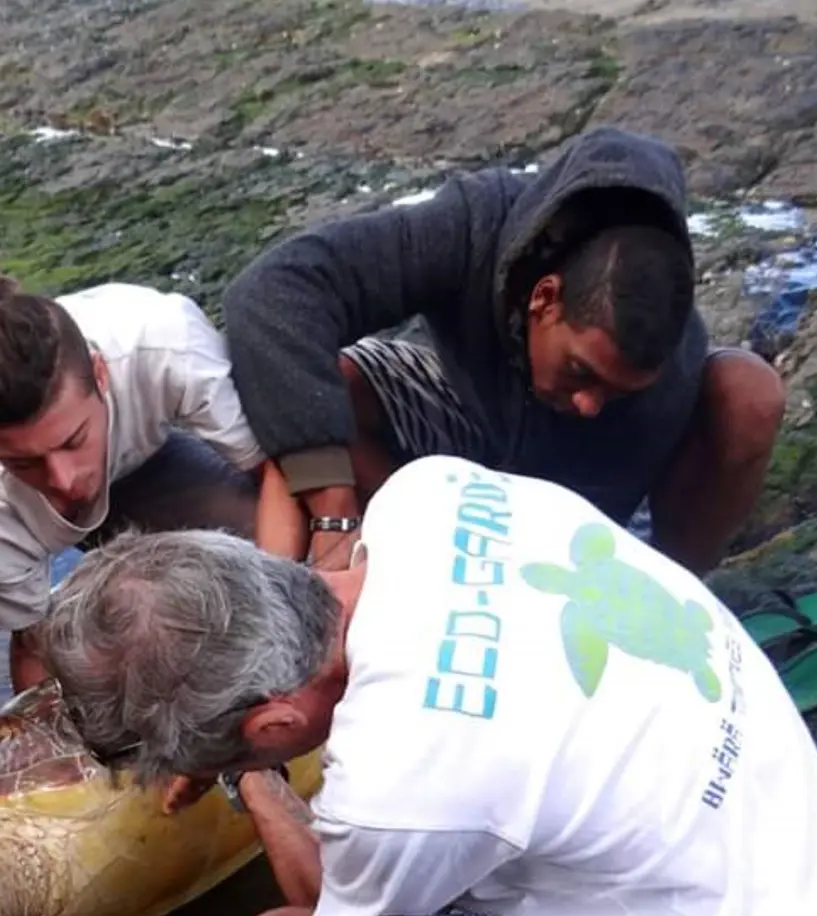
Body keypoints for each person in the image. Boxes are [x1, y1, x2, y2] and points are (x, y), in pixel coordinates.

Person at [34, 455, 817, 916]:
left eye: (238, 743)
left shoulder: (398, 785)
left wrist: (251, 779)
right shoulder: (428, 494)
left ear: (274, 720)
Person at [220, 124, 788, 577]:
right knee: (323, 388)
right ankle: (350, 563)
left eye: (615, 390)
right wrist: (334, 511)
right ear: (545, 298)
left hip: (584, 503)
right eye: (580, 372)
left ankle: (684, 595)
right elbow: (274, 294)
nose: (592, 403)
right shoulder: (479, 224)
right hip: (471, 416)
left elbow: (564, 537)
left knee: (749, 393)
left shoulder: (660, 384)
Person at [0, 251, 295, 798]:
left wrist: (284, 622)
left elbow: (274, 469)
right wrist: (68, 766)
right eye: (27, 460)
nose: (63, 480)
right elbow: (36, 648)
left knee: (258, 534)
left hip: (139, 462)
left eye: (71, 441)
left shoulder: (166, 341)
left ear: (101, 374)